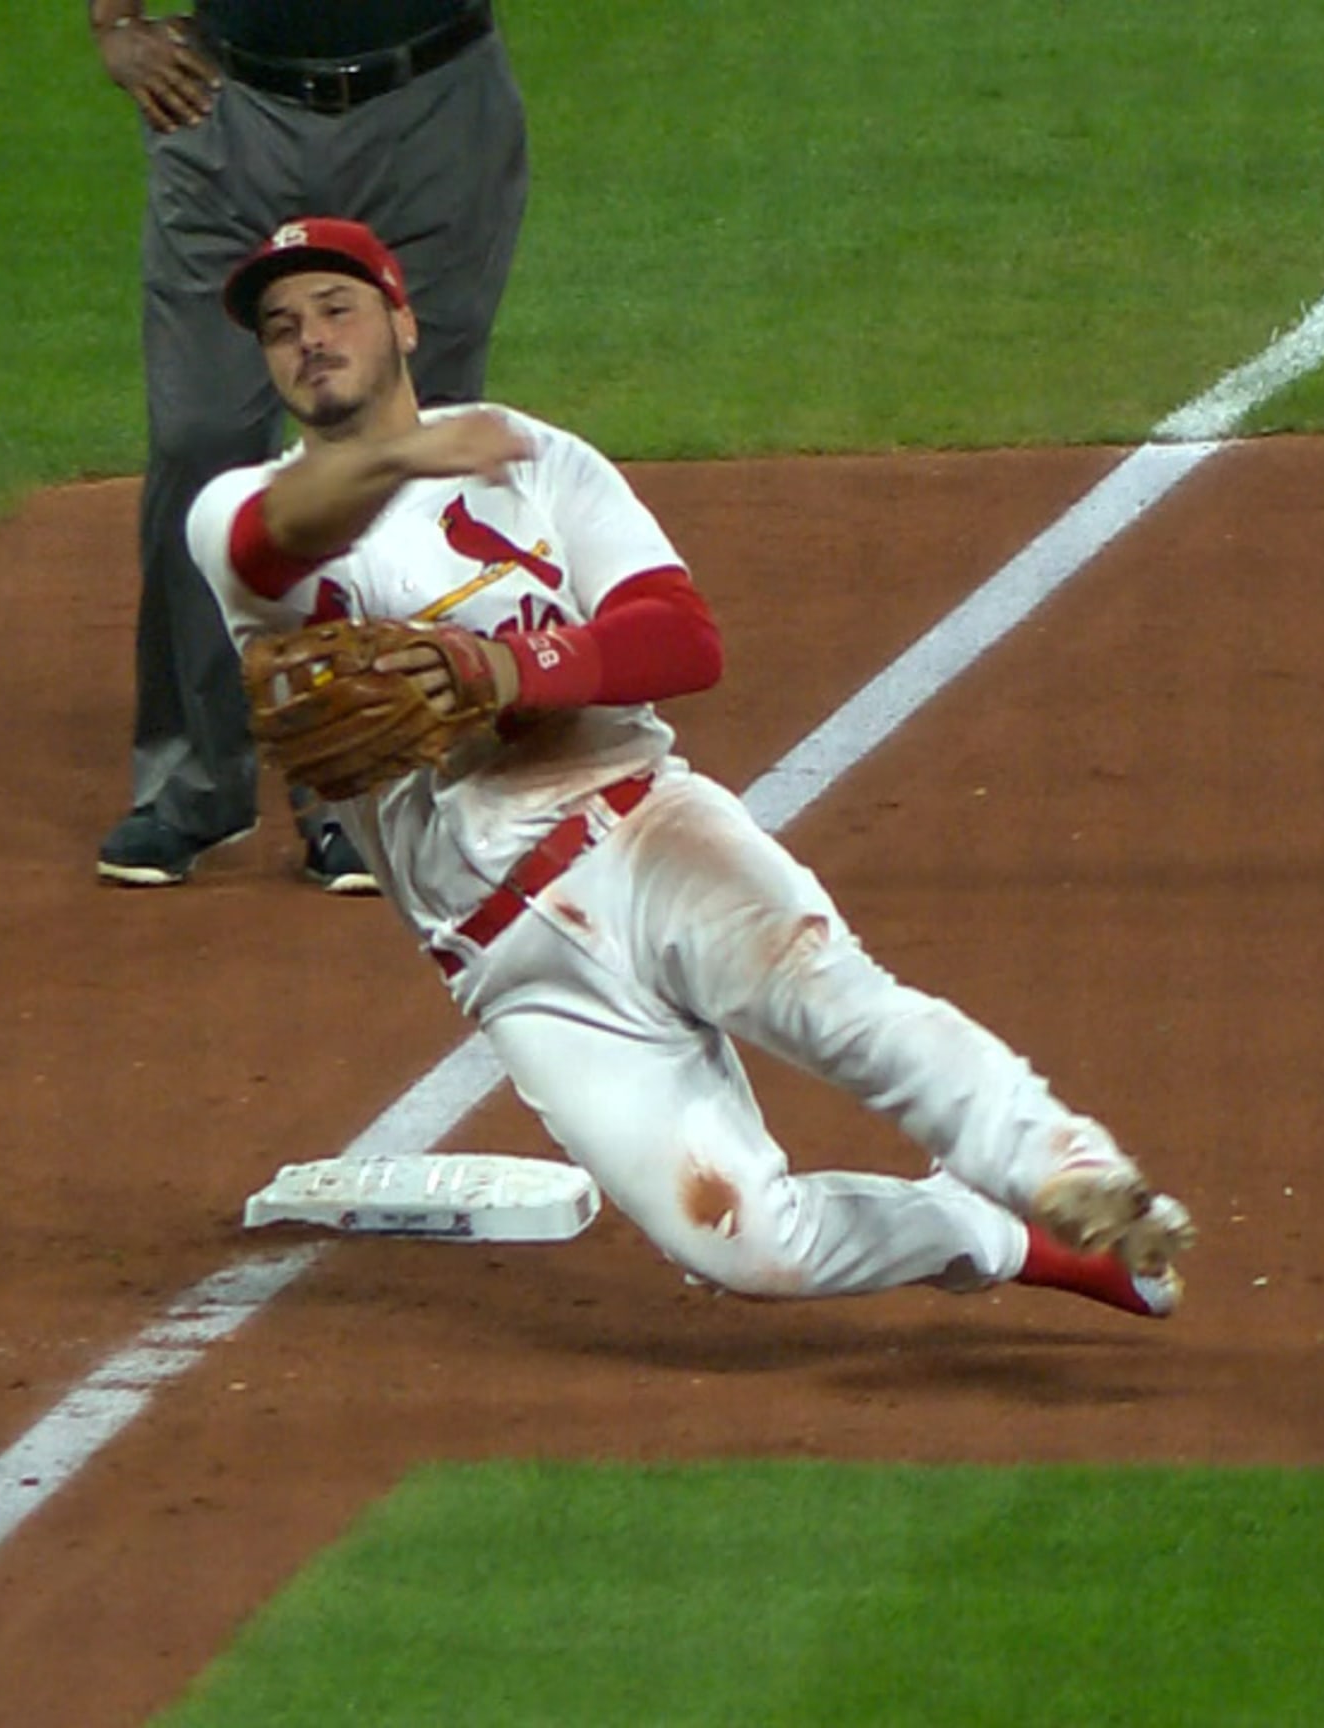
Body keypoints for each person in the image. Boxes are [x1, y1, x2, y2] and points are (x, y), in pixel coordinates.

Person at [193, 218, 1200, 1314]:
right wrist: (390, 460)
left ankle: (1075, 1172)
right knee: (752, 1248)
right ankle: (994, 1233)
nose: (309, 339)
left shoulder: (529, 458)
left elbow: (680, 637)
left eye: (335, 308)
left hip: (645, 833)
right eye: (281, 328)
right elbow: (268, 545)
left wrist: (511, 669)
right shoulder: (235, 514)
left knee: (844, 1011)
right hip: (508, 959)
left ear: (400, 319)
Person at [87, 0, 527, 892]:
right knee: (199, 436)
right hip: (226, 107)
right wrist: (114, 23)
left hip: (433, 104)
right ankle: (198, 782)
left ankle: (369, 787)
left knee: (403, 439)